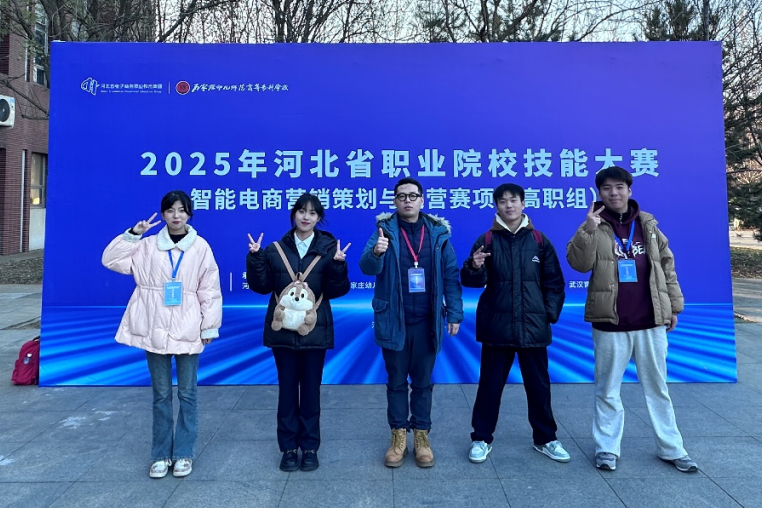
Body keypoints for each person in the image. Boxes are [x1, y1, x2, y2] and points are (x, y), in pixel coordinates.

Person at [566, 166, 698, 473]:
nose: (613, 193)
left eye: (619, 187)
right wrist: (587, 229)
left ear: (629, 190)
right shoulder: (593, 224)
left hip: (650, 320)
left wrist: (673, 307)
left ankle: (672, 448)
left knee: (658, 388)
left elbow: (667, 266)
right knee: (607, 389)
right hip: (610, 322)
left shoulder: (648, 224)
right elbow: (578, 264)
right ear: (599, 193)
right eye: (606, 188)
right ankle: (607, 449)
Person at [102, 190, 222, 479]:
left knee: (188, 393)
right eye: (170, 210)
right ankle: (160, 455)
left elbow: (210, 289)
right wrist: (133, 234)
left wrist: (209, 326)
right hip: (153, 324)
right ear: (163, 214)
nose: (176, 215)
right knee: (161, 394)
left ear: (189, 213)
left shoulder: (200, 247)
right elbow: (110, 260)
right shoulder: (146, 246)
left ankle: (183, 453)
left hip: (188, 325)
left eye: (182, 210)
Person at [461, 183, 569, 465]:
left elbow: (554, 283)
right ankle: (481, 438)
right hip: (497, 327)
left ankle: (546, 438)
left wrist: (546, 315)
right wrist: (474, 267)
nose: (509, 205)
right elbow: (472, 282)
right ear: (496, 206)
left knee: (539, 387)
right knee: (489, 386)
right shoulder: (486, 240)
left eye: (513, 200)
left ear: (523, 204)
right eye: (502, 201)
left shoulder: (539, 241)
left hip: (533, 326)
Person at [359, 177, 463, 468]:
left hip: (427, 321)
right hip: (395, 320)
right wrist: (376, 253)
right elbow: (366, 267)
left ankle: (421, 436)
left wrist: (454, 313)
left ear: (422, 200)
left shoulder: (438, 234)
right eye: (401, 196)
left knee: (422, 382)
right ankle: (397, 437)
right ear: (395, 201)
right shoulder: (384, 231)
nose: (407, 200)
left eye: (413, 195)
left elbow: (451, 276)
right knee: (395, 382)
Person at [246, 193, 351, 472]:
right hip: (282, 331)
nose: (306, 217)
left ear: (319, 218)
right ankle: (289, 449)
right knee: (288, 391)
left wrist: (338, 265)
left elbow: (338, 290)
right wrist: (255, 259)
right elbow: (261, 286)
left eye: (312, 213)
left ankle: (310, 448)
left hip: (314, 331)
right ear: (294, 214)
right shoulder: (275, 249)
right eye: (302, 211)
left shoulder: (329, 249)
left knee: (311, 391)